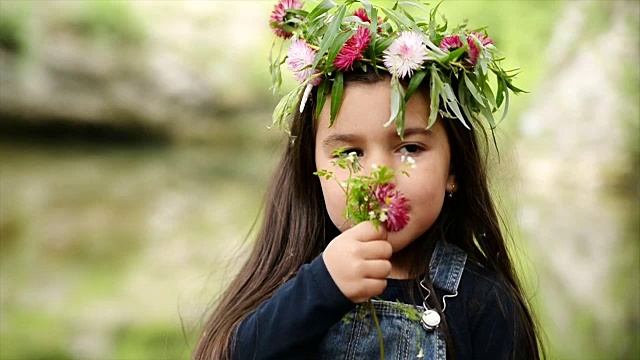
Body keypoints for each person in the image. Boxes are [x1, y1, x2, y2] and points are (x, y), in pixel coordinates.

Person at [194, 1, 544, 359]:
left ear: (453, 170)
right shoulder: (287, 286)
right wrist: (321, 287)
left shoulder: (482, 301)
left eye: (409, 147)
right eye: (349, 154)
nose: (378, 176)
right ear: (312, 172)